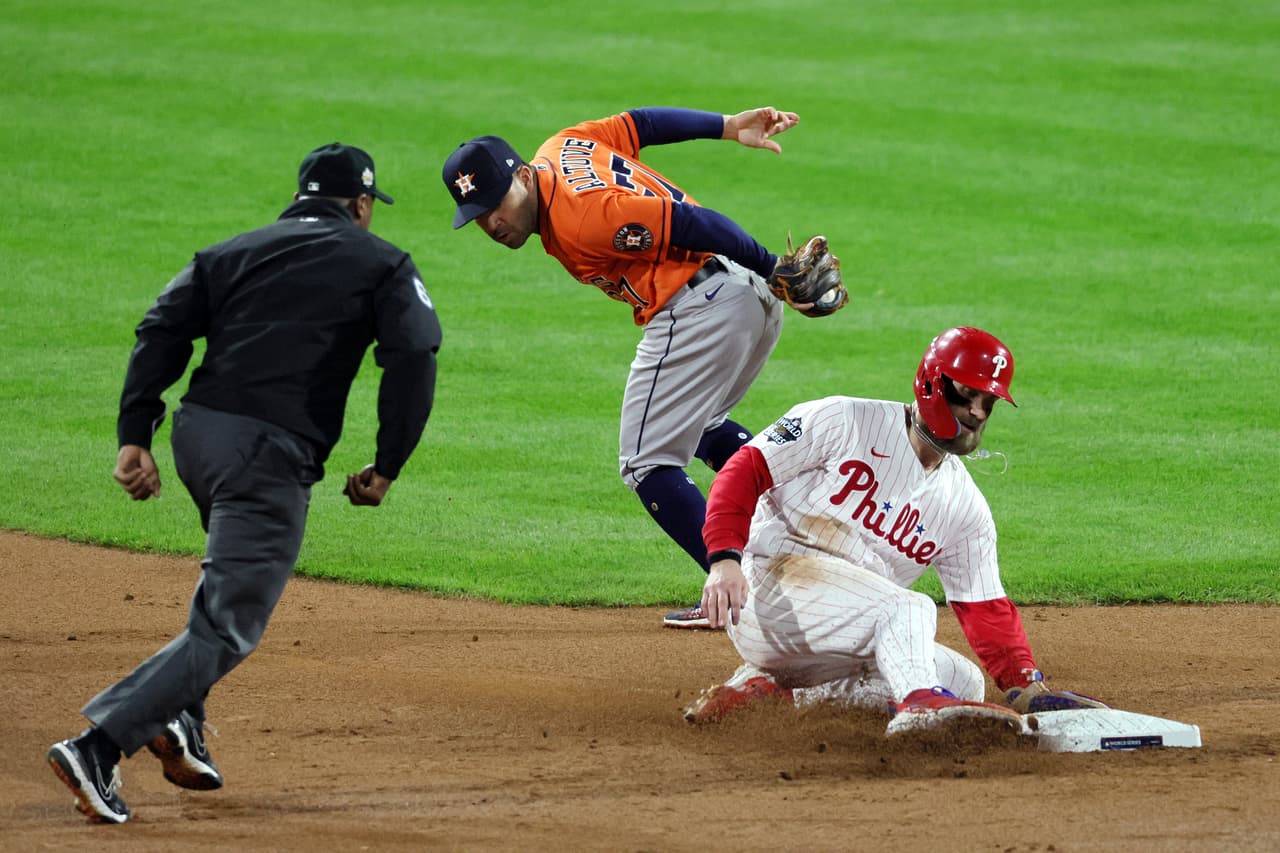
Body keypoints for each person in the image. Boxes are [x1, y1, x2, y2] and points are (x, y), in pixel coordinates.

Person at [46, 143, 443, 823]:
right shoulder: (381, 261)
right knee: (229, 625)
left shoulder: (233, 250)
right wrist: (387, 464)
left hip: (197, 439)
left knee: (226, 582)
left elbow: (160, 327)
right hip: (265, 454)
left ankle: (178, 720)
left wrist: (134, 433)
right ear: (363, 205)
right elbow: (414, 354)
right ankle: (98, 744)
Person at [443, 106, 836, 629]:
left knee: (647, 465)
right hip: (746, 298)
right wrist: (724, 125)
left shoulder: (581, 216)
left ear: (521, 176)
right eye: (478, 215)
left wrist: (774, 266)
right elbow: (641, 125)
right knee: (701, 427)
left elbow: (696, 223)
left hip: (703, 306)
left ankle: (746, 597)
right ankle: (824, 535)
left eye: (496, 204)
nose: (491, 222)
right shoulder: (562, 145)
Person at [683, 327, 1108, 733]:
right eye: (966, 394)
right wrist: (723, 560)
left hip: (831, 640)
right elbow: (745, 469)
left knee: (962, 680)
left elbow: (985, 607)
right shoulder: (844, 419)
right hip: (770, 596)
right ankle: (918, 710)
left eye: (988, 402)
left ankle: (771, 691)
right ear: (931, 382)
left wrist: (1027, 688)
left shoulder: (964, 506)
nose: (977, 412)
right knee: (910, 609)